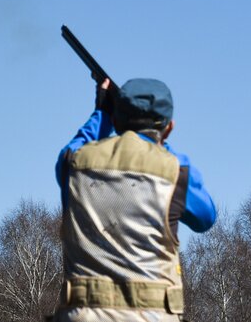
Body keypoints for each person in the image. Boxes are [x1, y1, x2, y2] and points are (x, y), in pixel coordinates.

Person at [51, 77, 216, 321]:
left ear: (116, 121)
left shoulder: (72, 163)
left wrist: (101, 113)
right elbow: (206, 217)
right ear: (168, 128)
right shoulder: (176, 169)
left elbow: (78, 144)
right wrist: (161, 148)